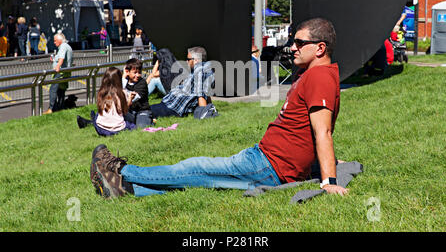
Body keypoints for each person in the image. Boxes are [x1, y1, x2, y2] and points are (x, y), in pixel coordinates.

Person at [89, 18, 349, 198]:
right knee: (198, 180)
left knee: (194, 168)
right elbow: (311, 131)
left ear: (320, 48)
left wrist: (329, 181)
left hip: (268, 165)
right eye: (293, 41)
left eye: (300, 43)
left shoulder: (319, 77)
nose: (293, 47)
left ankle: (119, 170)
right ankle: (123, 189)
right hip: (267, 159)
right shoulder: (318, 75)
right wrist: (331, 163)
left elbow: (323, 132)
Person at [147, 46, 215, 118]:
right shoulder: (201, 70)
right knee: (143, 110)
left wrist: (204, 112)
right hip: (170, 104)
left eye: (188, 59)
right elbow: (205, 92)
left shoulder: (200, 71)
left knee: (142, 112)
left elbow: (201, 94)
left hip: (172, 107)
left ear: (196, 60)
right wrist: (210, 106)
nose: (186, 61)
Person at [76, 67, 137, 136]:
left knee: (98, 114)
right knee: (132, 125)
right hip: (117, 129)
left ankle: (90, 121)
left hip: (100, 129)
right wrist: (130, 99)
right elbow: (125, 111)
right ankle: (90, 121)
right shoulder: (122, 93)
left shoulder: (101, 92)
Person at [43, 33, 73, 114]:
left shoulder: (63, 46)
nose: (54, 42)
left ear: (60, 40)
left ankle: (51, 109)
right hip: (66, 72)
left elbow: (62, 58)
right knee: (61, 90)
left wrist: (58, 66)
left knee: (53, 89)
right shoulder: (68, 46)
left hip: (60, 72)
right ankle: (60, 107)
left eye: (55, 40)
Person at [122, 58, 153, 128]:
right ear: (127, 71)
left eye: (139, 72)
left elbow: (135, 98)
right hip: (129, 111)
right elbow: (119, 92)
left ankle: (149, 121)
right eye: (135, 72)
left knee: (141, 127)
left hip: (142, 111)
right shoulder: (124, 81)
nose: (138, 75)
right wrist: (124, 76)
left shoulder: (142, 83)